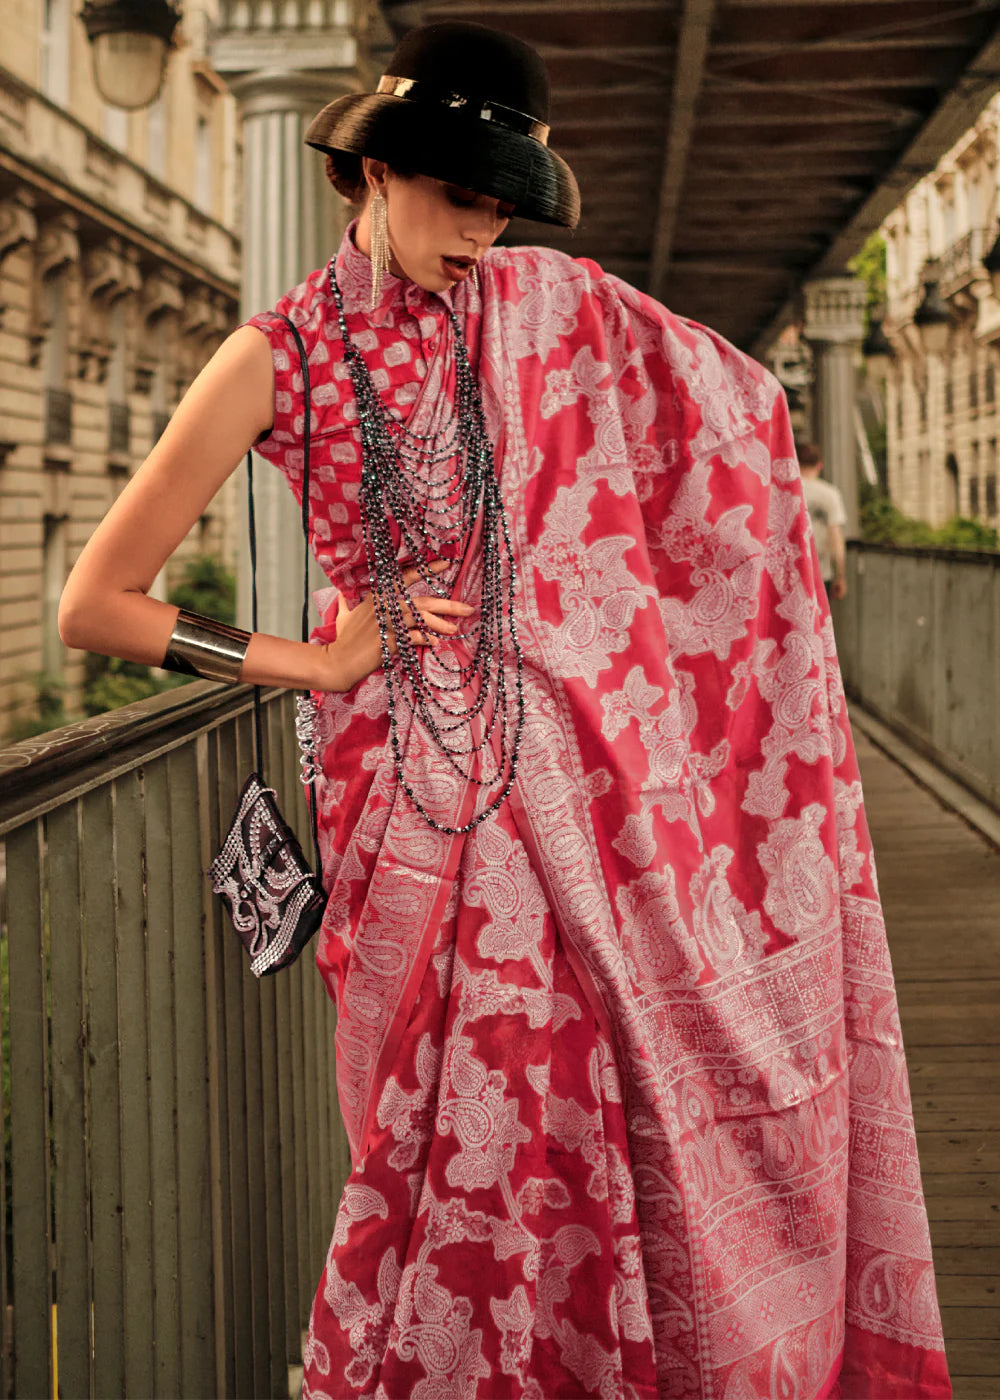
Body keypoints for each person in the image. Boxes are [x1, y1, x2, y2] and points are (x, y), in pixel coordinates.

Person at [59, 20, 951, 1400]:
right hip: (408, 791)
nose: (482, 235)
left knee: (586, 1078)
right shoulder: (273, 357)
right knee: (449, 1120)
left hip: (568, 779)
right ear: (374, 175)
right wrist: (316, 663)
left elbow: (743, 418)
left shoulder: (540, 309)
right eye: (459, 197)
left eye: (500, 205)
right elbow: (99, 602)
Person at [797, 440, 849, 600]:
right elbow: (836, 538)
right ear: (820, 465)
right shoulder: (830, 494)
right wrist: (840, 576)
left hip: (787, 572)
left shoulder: (784, 490)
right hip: (819, 572)